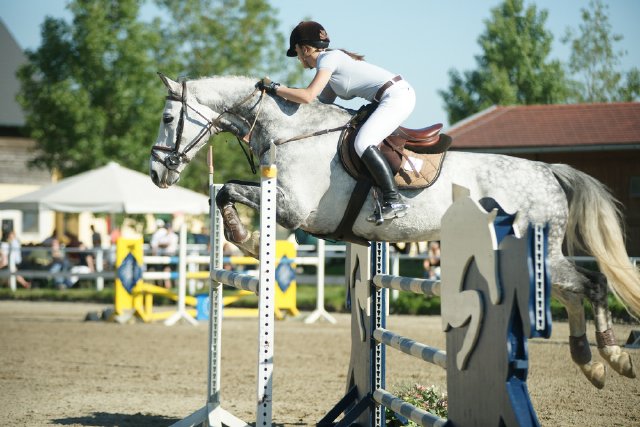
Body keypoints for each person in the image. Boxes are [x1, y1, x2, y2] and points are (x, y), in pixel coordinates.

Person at [257, 20, 416, 224]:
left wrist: (275, 88)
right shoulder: (330, 65)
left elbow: (306, 96)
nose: (297, 58)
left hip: (396, 96)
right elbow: (318, 103)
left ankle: (393, 200)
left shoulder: (328, 59)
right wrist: (278, 98)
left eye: (296, 52)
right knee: (360, 139)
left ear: (305, 49)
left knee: (362, 142)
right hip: (390, 96)